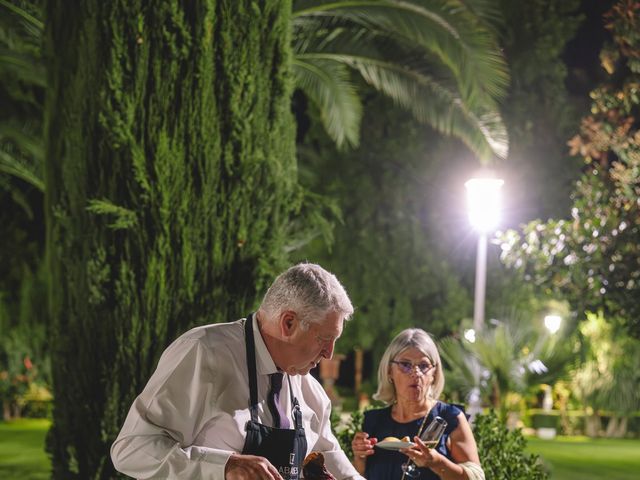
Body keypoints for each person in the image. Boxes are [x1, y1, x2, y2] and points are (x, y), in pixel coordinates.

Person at [111, 262, 365, 480]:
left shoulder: (309, 390)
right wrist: (224, 467)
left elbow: (331, 462)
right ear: (288, 323)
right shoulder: (205, 352)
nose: (329, 354)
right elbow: (131, 449)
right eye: (323, 339)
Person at [351, 328, 484, 480]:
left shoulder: (449, 418)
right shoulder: (374, 422)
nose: (416, 373)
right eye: (405, 364)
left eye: (423, 365)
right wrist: (359, 458)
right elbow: (359, 476)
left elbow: (477, 477)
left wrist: (437, 463)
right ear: (389, 371)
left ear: (434, 374)